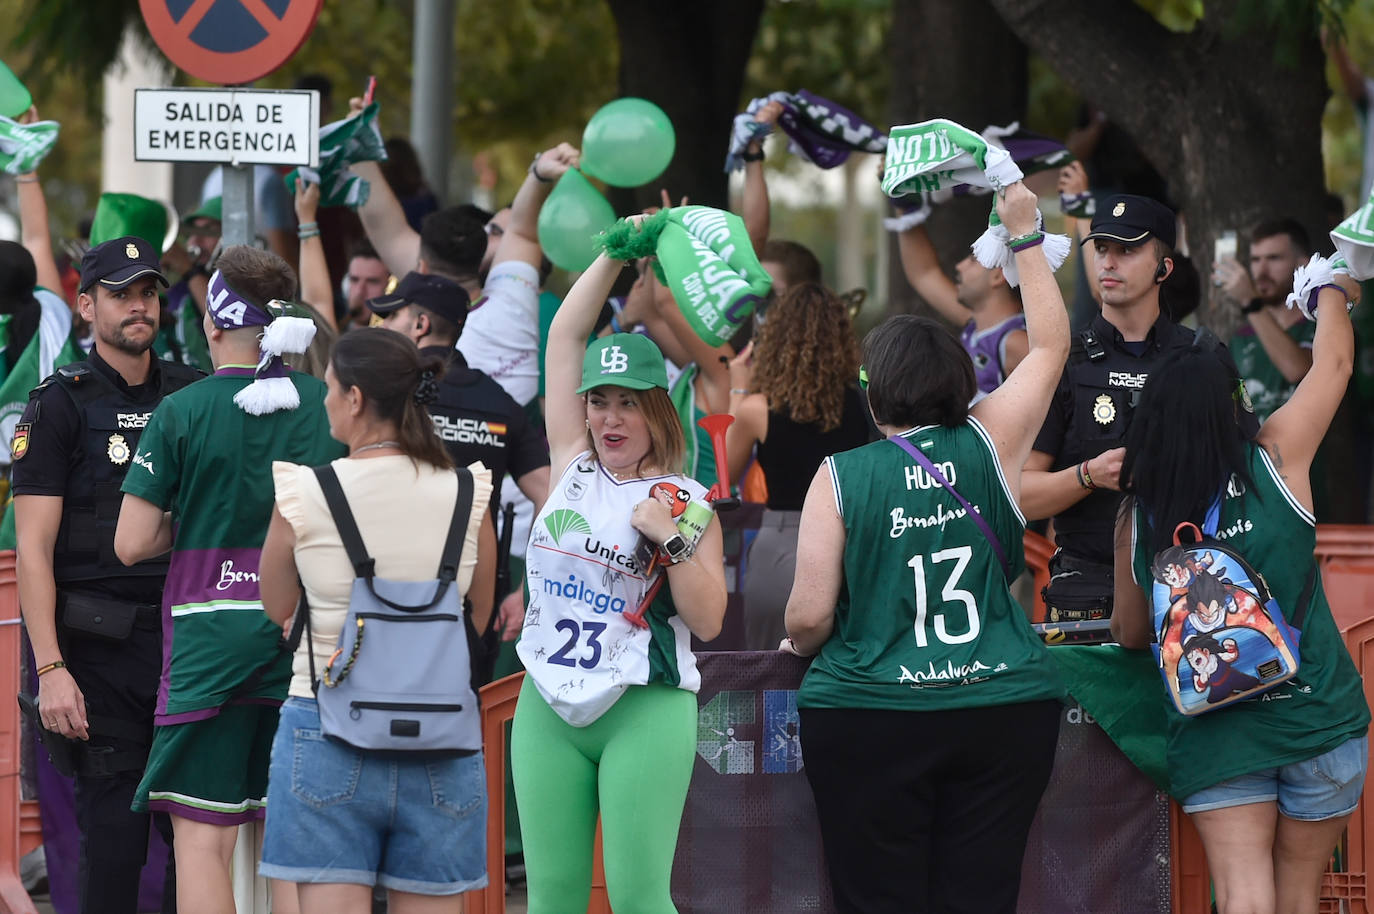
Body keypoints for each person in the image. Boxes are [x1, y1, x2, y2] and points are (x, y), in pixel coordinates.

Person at [784, 182, 1069, 914]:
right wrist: (1027, 234)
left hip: (869, 711)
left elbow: (808, 618)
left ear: (874, 393)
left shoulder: (841, 476)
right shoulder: (993, 437)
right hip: (1002, 705)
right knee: (978, 898)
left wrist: (802, 639)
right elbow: (1052, 344)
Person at [1111, 273, 1370, 914]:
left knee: (1245, 898)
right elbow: (1334, 362)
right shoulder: (1278, 460)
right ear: (1235, 400)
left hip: (1214, 732)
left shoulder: (1137, 517)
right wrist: (1327, 290)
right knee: (1299, 897)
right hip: (1318, 715)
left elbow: (1128, 632)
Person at [113, 245, 344, 914]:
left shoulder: (181, 412)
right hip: (306, 638)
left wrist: (188, 525)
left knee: (203, 841)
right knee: (294, 841)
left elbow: (131, 542)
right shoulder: (329, 404)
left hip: (206, 641)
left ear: (211, 324)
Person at [511, 226, 728, 913]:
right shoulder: (572, 458)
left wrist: (671, 539)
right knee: (552, 899)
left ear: (656, 407)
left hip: (644, 704)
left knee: (638, 900)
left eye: (627, 400)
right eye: (599, 399)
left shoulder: (688, 500)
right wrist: (611, 253)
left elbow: (709, 619)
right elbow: (562, 341)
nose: (609, 416)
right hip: (546, 699)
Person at [256, 328, 496, 909]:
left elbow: (277, 606)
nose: (325, 399)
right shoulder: (469, 491)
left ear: (357, 398)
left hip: (325, 723)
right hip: (441, 735)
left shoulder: (305, 491)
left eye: (331, 388)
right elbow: (480, 616)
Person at [13, 236, 201, 914]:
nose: (139, 305)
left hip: (192, 644)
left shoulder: (194, 392)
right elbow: (33, 549)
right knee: (115, 844)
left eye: (148, 291)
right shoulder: (59, 404)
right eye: (121, 294)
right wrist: (52, 668)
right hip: (97, 653)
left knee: (199, 846)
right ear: (87, 305)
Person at [1020, 194, 1256, 622]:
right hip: (1086, 595)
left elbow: (1249, 479)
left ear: (1164, 268)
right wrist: (1089, 475)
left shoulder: (1204, 358)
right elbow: (1019, 495)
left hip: (1193, 597)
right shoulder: (1062, 361)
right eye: (1102, 249)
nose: (1109, 262)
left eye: (1127, 250)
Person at [724, 282, 872, 649]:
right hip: (851, 547)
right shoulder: (868, 405)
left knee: (769, 677)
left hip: (781, 545)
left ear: (775, 340)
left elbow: (722, 479)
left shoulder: (757, 409)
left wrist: (738, 389)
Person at [897, 218, 1028, 397]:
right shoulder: (977, 324)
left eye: (973, 260)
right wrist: (906, 211)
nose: (959, 266)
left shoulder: (1016, 342)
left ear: (998, 276)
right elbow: (924, 274)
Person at [1214, 219, 1314, 421]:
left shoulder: (1322, 324)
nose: (1262, 271)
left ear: (1303, 264)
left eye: (1274, 258)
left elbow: (1297, 370)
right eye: (1255, 260)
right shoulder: (1241, 339)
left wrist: (1250, 301)